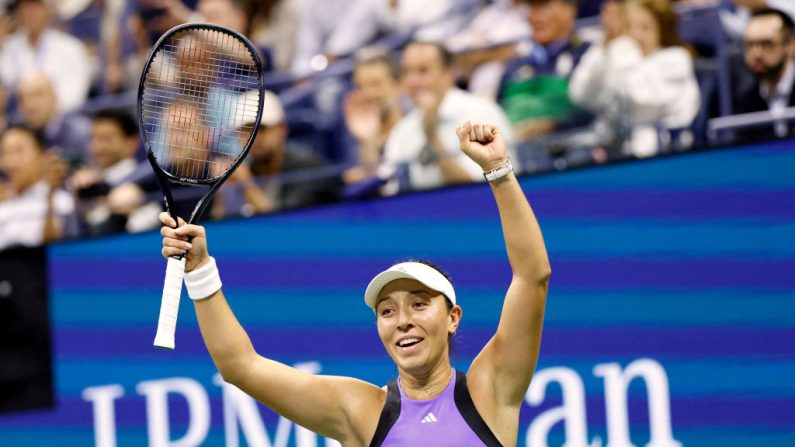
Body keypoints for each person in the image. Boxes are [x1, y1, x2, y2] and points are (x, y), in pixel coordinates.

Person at [159, 121, 550, 447]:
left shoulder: (490, 388)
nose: (403, 320)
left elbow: (533, 276)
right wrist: (200, 270)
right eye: (387, 310)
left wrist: (498, 170)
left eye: (419, 303)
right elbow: (240, 366)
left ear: (453, 317)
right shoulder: (362, 411)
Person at [378, 40, 516, 195]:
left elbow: (487, 187)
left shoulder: (481, 112)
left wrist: (431, 135)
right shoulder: (404, 128)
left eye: (423, 71)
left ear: (448, 74)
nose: (412, 82)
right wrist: (368, 140)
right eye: (407, 72)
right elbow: (387, 189)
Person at [568, 0, 701, 159]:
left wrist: (620, 43)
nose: (636, 35)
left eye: (645, 28)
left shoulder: (676, 59)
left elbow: (637, 96)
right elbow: (579, 95)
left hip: (665, 155)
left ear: (661, 31)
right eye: (629, 27)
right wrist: (604, 45)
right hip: (615, 156)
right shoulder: (620, 56)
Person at [212, 89, 342, 217]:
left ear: (282, 130)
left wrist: (248, 185)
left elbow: (284, 228)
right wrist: (220, 197)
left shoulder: (308, 169)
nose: (253, 138)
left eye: (261, 129)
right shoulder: (244, 171)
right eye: (246, 131)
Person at [0, 0, 92, 111]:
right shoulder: (9, 47)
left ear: (48, 10)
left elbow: (74, 98)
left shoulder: (71, 48)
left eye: (34, 7)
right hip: (17, 118)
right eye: (23, 8)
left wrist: (39, 108)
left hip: (58, 119)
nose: (28, 13)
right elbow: (6, 86)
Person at [0, 125, 76, 250]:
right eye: (4, 153)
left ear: (43, 155)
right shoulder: (3, 204)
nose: (9, 161)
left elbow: (54, 247)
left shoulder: (61, 202)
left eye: (18, 151)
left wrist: (50, 199)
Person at [342, 47, 405, 185]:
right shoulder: (353, 131)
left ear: (399, 85)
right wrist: (368, 141)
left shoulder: (416, 125)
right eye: (360, 87)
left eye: (376, 85)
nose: (368, 94)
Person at [732, 7, 795, 140]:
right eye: (750, 45)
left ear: (790, 45)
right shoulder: (745, 102)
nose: (757, 54)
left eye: (766, 44)